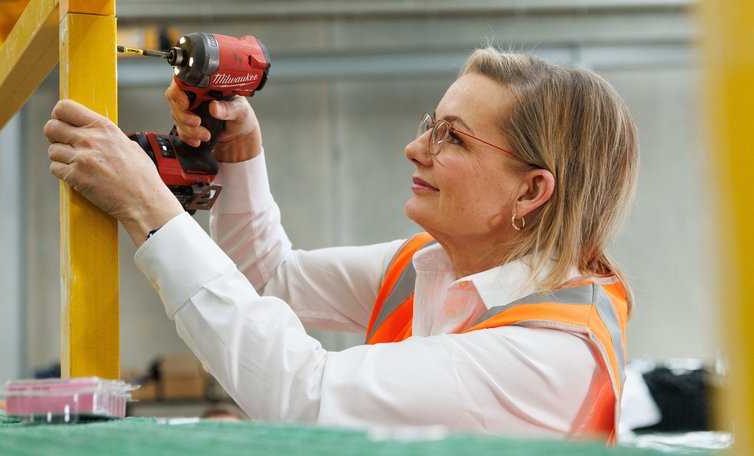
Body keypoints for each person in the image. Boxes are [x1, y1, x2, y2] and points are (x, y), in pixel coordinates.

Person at [44, 46, 638, 441]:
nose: (416, 148)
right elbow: (269, 281)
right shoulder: (429, 267)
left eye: (452, 138)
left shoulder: (549, 353)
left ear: (531, 191)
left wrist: (148, 205)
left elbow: (308, 397)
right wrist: (237, 153)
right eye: (430, 123)